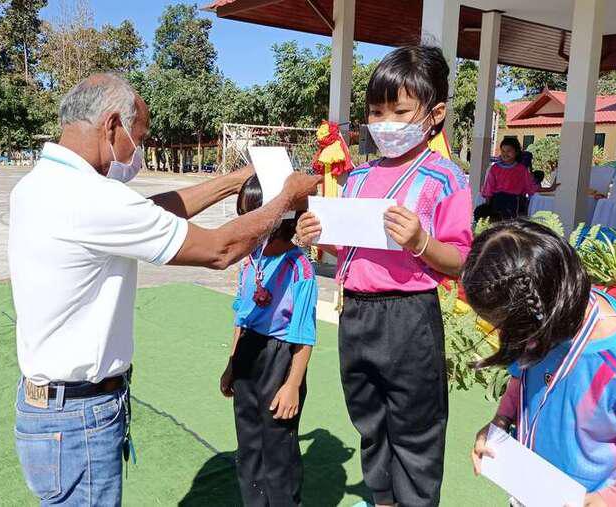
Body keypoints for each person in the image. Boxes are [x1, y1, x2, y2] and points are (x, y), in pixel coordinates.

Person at [8, 74, 320, 506]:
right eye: (139, 138)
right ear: (112, 126)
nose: (138, 151)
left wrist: (233, 182)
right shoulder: (89, 198)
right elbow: (220, 249)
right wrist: (285, 199)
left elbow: (148, 212)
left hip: (51, 409)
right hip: (78, 416)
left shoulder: (41, 185)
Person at [296, 45, 473, 507]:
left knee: (416, 426)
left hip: (409, 315)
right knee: (369, 419)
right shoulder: (356, 178)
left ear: (435, 114)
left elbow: (459, 259)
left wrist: (421, 241)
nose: (386, 123)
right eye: (377, 112)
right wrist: (316, 235)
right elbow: (347, 247)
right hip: (356, 314)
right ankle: (383, 499)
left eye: (401, 111)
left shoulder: (446, 178)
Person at [465, 220, 616, 506]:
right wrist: (500, 422)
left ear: (541, 316)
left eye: (506, 327)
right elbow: (520, 375)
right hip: (533, 491)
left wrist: (611, 500)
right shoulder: (542, 311)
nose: (505, 336)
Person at [219, 175, 317, 506]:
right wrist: (232, 364)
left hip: (281, 359)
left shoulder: (299, 267)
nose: (247, 225)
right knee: (249, 446)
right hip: (248, 354)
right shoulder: (252, 259)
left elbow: (303, 333)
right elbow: (241, 315)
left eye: (254, 216)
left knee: (278, 449)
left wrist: (292, 385)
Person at [481, 138, 554, 219]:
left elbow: (531, 188)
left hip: (513, 203)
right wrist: (487, 206)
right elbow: (489, 188)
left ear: (516, 152)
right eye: (503, 151)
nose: (505, 154)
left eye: (509, 151)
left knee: (509, 224)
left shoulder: (522, 170)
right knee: (495, 224)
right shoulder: (495, 168)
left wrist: (550, 189)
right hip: (496, 202)